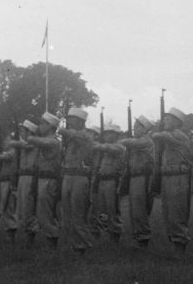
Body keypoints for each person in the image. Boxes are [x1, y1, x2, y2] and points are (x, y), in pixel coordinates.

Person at [151, 107, 192, 254]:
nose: (164, 121)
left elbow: (158, 136)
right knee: (168, 213)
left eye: (168, 119)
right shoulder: (167, 137)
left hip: (178, 178)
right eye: (164, 118)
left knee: (177, 213)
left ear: (177, 122)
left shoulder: (179, 135)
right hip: (168, 178)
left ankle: (180, 248)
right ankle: (176, 246)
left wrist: (156, 130)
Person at [58, 107, 95, 254]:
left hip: (80, 177)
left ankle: (83, 245)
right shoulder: (71, 138)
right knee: (67, 213)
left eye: (71, 119)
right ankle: (74, 245)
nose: (69, 121)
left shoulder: (86, 135)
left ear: (80, 121)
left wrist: (64, 131)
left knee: (78, 213)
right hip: (68, 175)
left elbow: (78, 136)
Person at [118, 116, 155, 248]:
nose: (134, 128)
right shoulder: (136, 142)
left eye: (138, 126)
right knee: (134, 210)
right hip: (134, 177)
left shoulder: (145, 141)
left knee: (140, 209)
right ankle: (139, 237)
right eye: (134, 125)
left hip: (143, 177)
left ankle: (143, 238)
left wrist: (121, 141)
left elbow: (128, 142)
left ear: (145, 129)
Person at [26, 112, 62, 247]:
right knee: (39, 211)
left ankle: (53, 240)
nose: (40, 126)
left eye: (42, 123)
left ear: (50, 126)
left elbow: (36, 141)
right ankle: (50, 239)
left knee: (45, 212)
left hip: (49, 179)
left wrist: (30, 135)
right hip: (40, 178)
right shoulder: (46, 141)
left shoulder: (53, 141)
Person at [92, 124, 126, 243]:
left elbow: (110, 148)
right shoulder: (103, 150)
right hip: (102, 180)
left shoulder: (120, 146)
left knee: (113, 208)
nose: (107, 135)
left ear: (116, 135)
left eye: (110, 133)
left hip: (113, 180)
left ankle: (116, 234)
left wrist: (98, 146)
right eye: (106, 133)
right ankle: (104, 233)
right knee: (101, 209)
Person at [8, 120, 39, 246]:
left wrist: (12, 142)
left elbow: (25, 145)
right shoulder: (22, 145)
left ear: (29, 132)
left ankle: (30, 238)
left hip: (30, 177)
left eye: (23, 131)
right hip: (22, 177)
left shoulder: (33, 143)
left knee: (28, 207)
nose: (21, 133)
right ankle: (27, 235)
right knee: (21, 208)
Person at [0, 136, 18, 243]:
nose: (3, 143)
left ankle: (11, 233)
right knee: (4, 206)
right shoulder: (7, 152)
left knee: (8, 207)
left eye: (5, 141)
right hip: (2, 181)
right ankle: (9, 232)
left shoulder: (12, 152)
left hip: (8, 182)